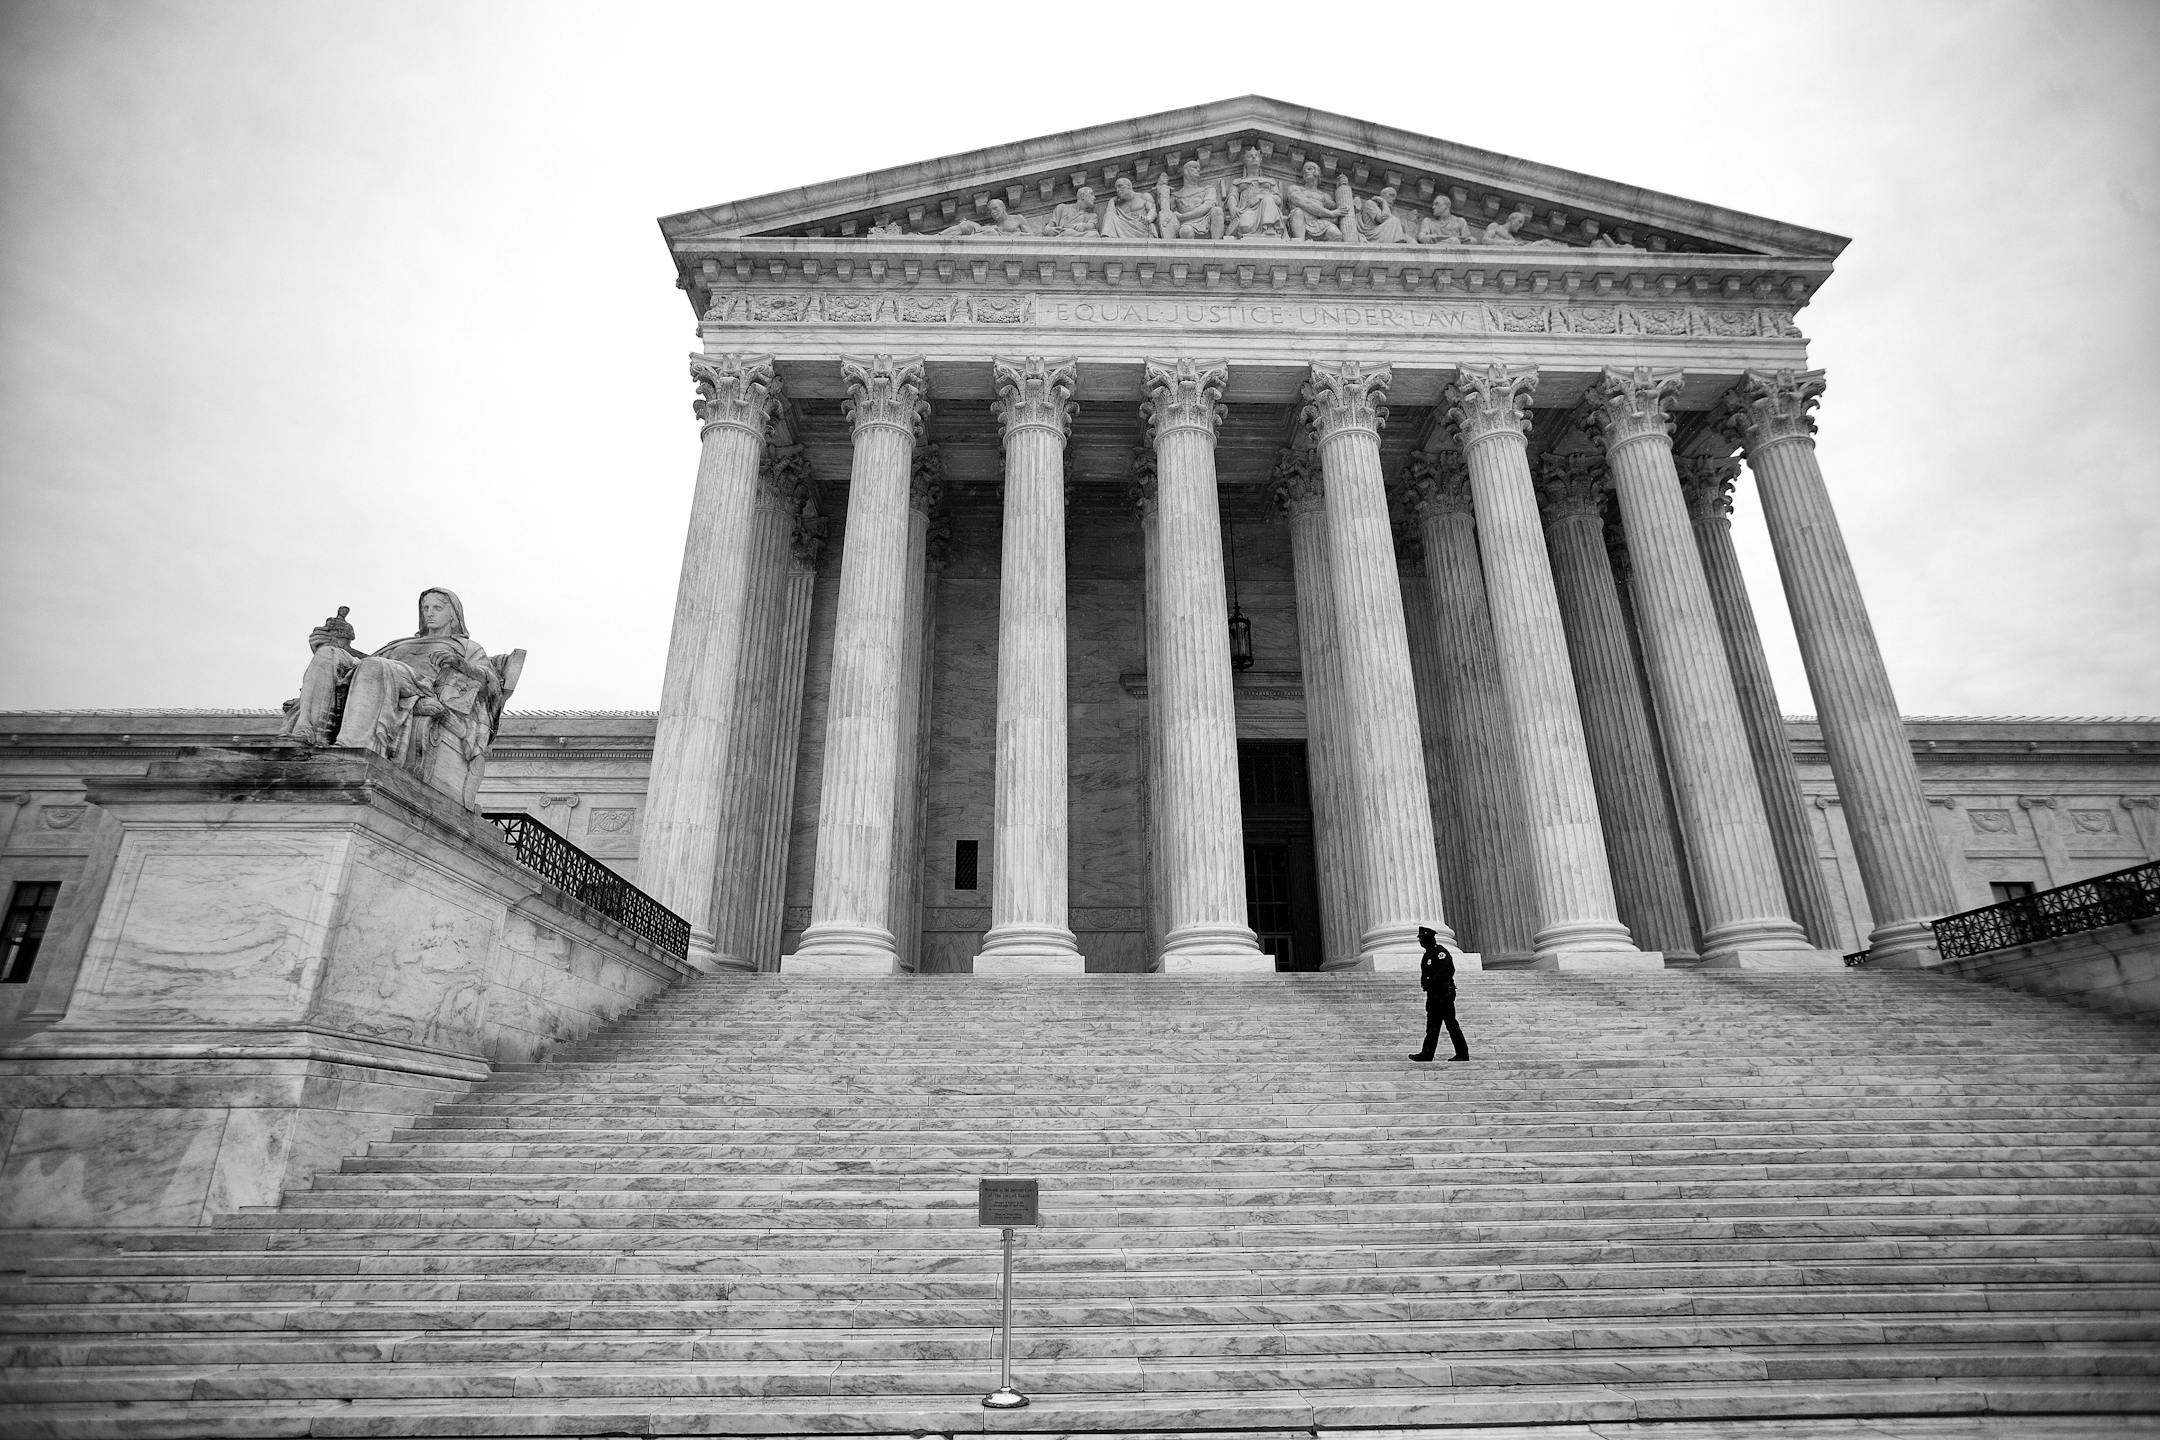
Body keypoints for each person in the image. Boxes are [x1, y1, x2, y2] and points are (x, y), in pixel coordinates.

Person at [1409, 925, 1470, 1062]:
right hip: (1433, 996)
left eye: (1422, 939)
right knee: (1432, 1027)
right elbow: (1426, 974)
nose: (1420, 941)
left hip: (1443, 995)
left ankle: (1462, 1053)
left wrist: (1433, 983)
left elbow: (1448, 971)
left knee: (1451, 1025)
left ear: (1429, 939)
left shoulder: (1440, 952)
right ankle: (1427, 1054)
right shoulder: (1428, 954)